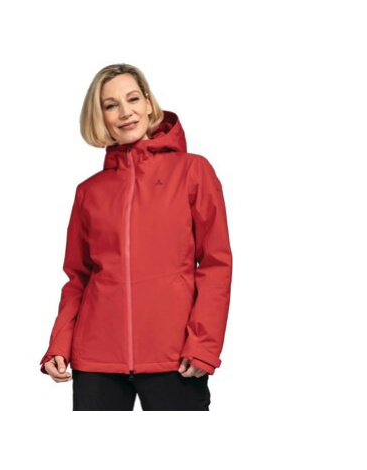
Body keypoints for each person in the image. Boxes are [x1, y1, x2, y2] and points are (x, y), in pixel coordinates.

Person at [39, 63, 233, 411]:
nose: (125, 112)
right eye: (110, 105)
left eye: (132, 99)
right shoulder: (89, 192)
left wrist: (204, 345)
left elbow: (216, 264)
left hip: (175, 357)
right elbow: (78, 278)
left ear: (148, 102)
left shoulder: (193, 171)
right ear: (100, 116)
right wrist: (60, 343)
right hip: (96, 359)